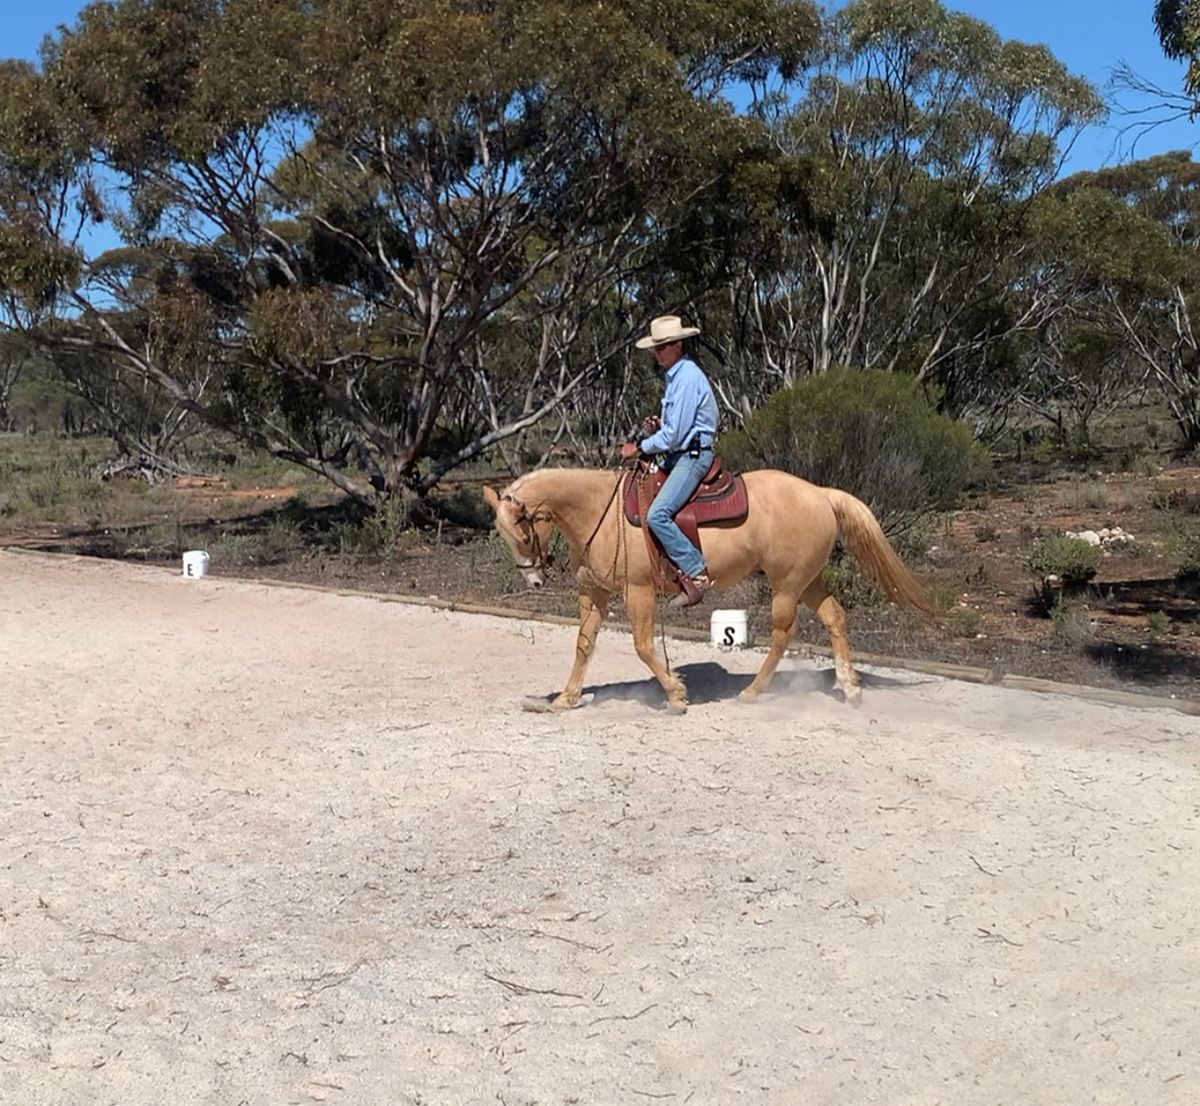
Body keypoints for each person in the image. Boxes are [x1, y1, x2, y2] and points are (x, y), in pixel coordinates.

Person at [620, 314, 719, 607]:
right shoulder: (676, 376)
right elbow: (675, 427)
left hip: (692, 456)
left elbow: (676, 437)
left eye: (661, 347)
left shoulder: (687, 378)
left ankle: (696, 571)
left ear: (677, 345)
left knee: (657, 514)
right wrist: (658, 427)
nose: (656, 352)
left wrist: (640, 447)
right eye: (655, 347)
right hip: (680, 453)